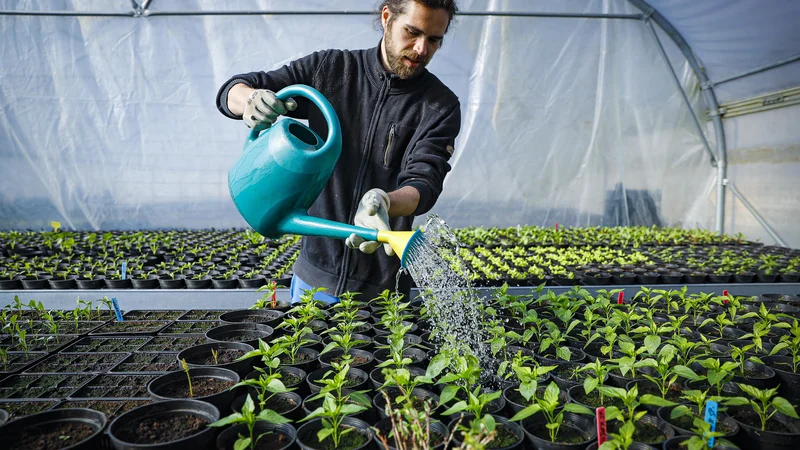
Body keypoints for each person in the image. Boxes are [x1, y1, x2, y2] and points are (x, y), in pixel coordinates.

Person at [216, 0, 461, 304]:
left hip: (382, 291)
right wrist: (250, 99)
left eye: (434, 39)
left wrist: (384, 201)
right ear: (387, 18)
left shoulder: (439, 106)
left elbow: (424, 182)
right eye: (412, 32)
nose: (422, 49)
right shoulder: (331, 71)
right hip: (314, 279)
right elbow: (237, 88)